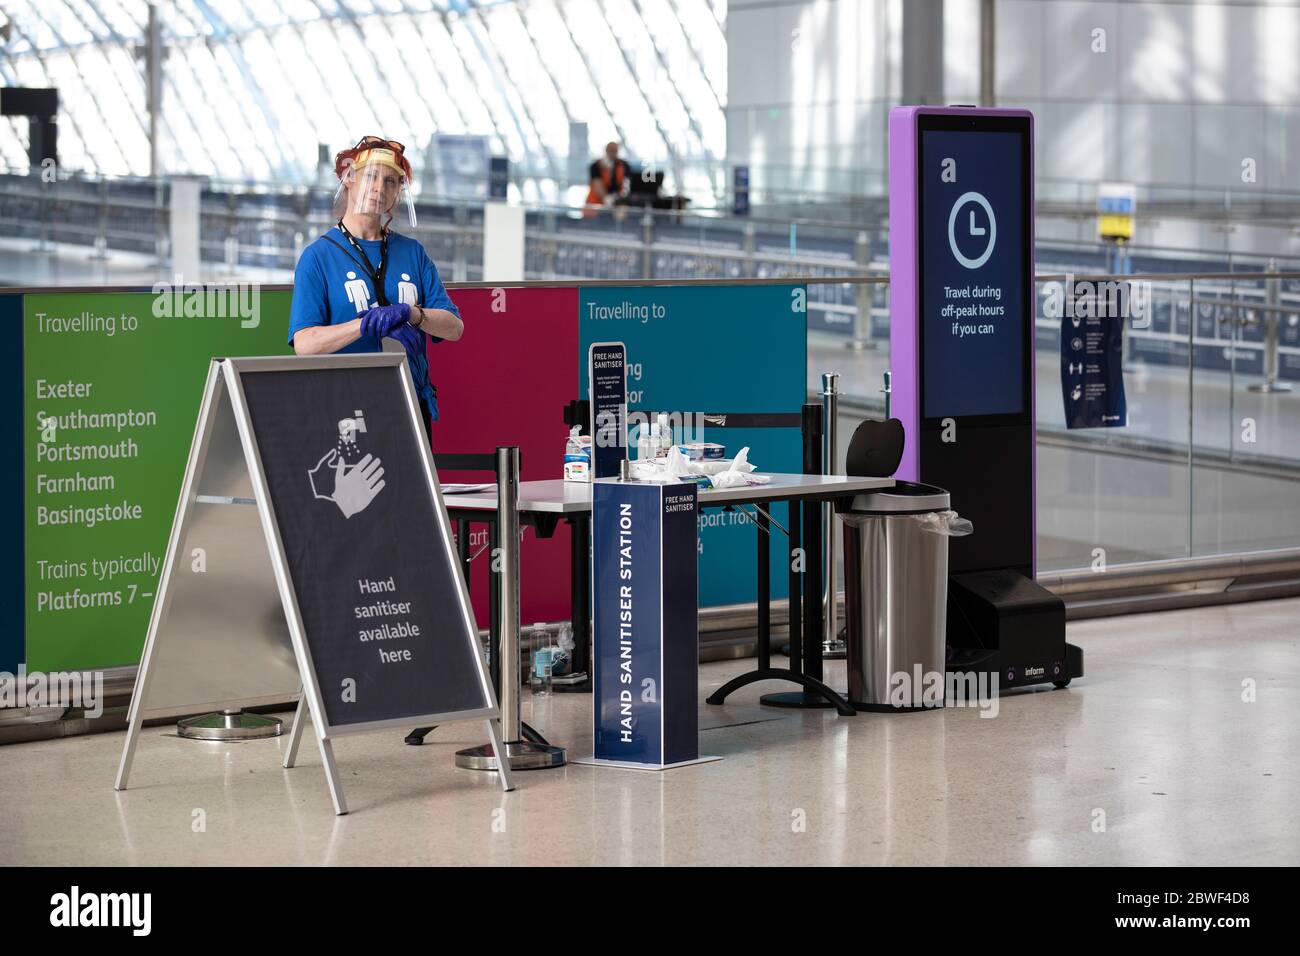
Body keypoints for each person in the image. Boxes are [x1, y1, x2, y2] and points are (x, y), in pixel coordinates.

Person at [289, 135, 462, 434]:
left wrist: (411, 314)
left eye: (391, 181)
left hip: (409, 404)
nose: (380, 188)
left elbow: (454, 327)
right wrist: (365, 325)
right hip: (344, 411)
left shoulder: (412, 253)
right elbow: (305, 343)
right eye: (371, 176)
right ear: (350, 180)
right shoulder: (318, 256)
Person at [584, 141, 631, 215]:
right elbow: (597, 185)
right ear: (606, 151)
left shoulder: (624, 166)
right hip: (595, 205)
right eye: (610, 150)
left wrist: (620, 200)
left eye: (614, 150)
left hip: (616, 205)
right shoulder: (596, 165)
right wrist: (606, 199)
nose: (612, 153)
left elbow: (626, 185)